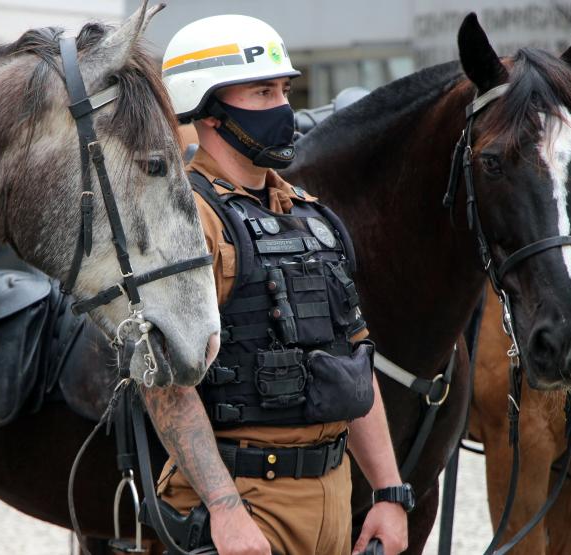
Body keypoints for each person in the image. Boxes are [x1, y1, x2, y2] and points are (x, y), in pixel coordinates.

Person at [141, 15, 411, 555]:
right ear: (209, 108)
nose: (284, 108)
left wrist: (388, 490)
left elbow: (352, 357)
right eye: (263, 92)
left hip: (332, 499)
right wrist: (225, 510)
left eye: (285, 90)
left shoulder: (312, 217)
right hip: (242, 503)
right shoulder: (185, 221)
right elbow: (165, 384)